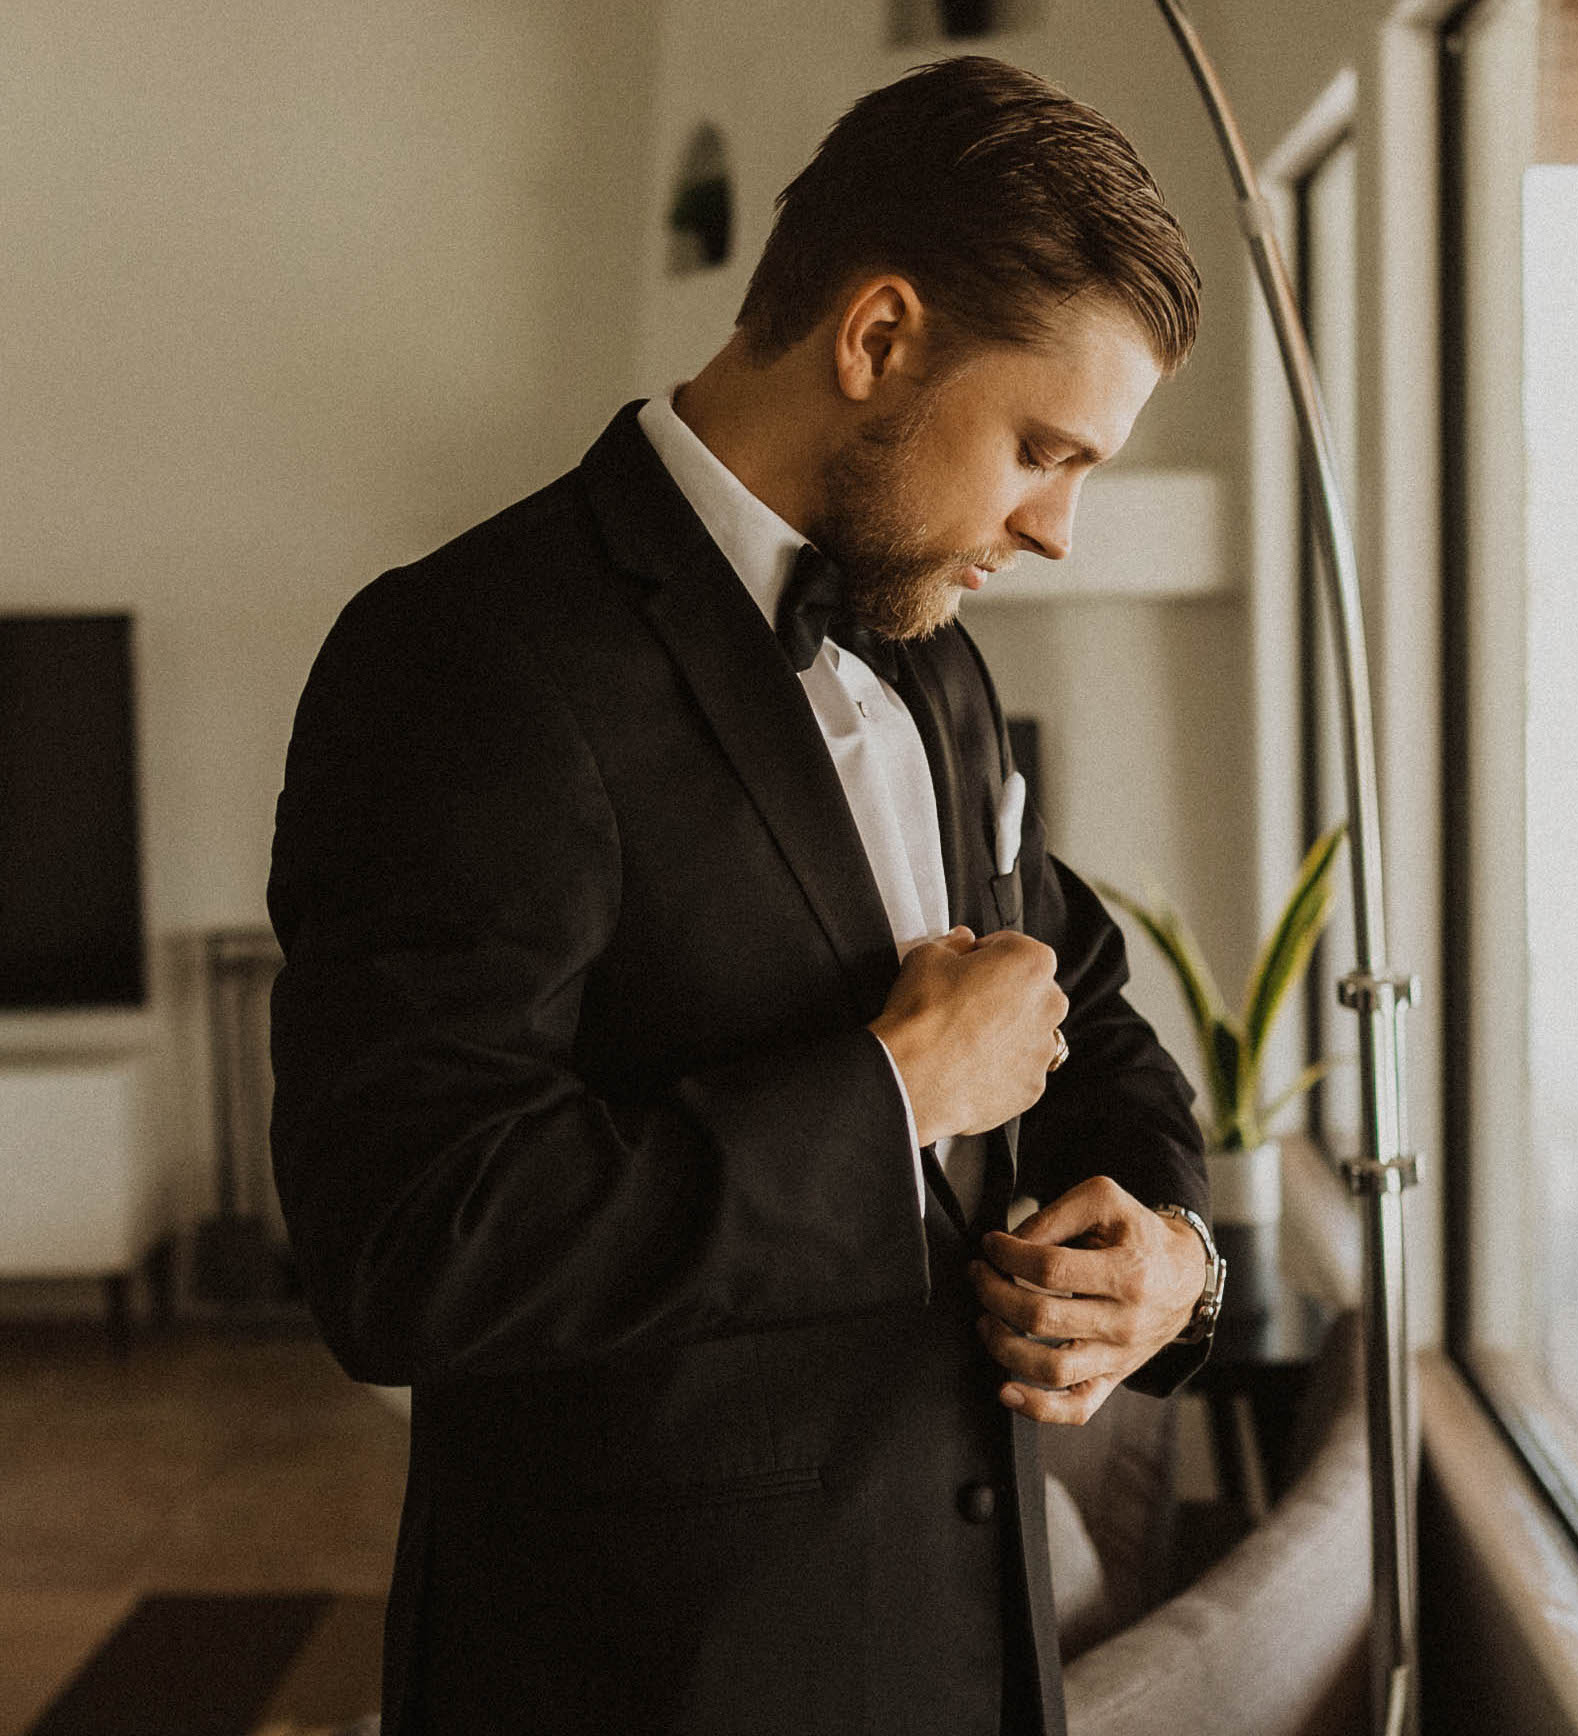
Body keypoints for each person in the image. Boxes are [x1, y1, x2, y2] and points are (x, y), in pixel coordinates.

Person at [268, 54, 1220, 1736]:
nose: (1059, 528)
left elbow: (1085, 1004)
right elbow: (404, 1248)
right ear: (876, 338)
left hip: (971, 1664)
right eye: (1041, 448)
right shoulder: (463, 660)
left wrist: (1169, 1261)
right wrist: (890, 1092)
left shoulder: (935, 657)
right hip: (645, 1682)